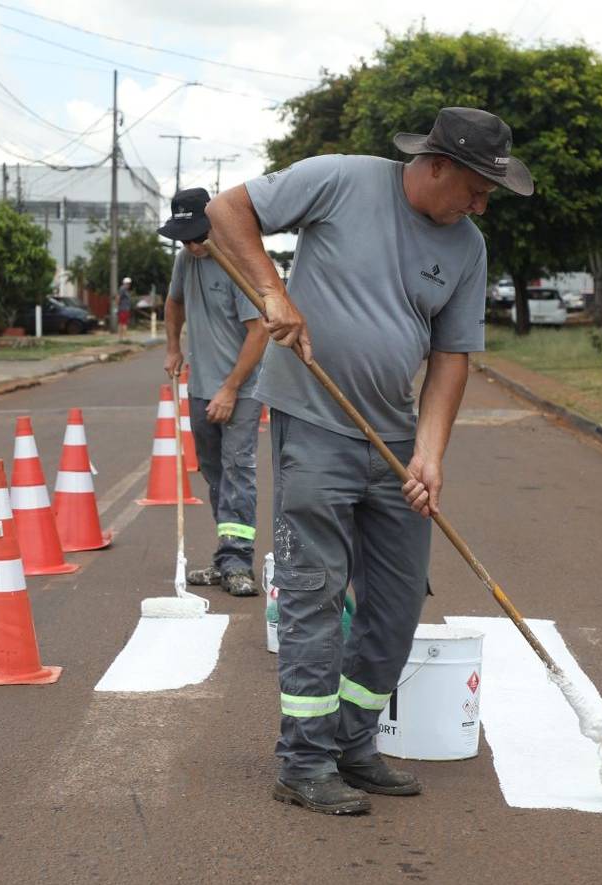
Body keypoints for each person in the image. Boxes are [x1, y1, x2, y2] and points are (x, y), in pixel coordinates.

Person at [205, 107, 532, 815]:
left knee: (398, 597)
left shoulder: (468, 247)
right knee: (315, 591)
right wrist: (273, 290)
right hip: (315, 422)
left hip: (393, 439)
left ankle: (353, 743)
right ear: (436, 165)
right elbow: (226, 211)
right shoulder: (341, 180)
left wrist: (430, 454)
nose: (482, 205)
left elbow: (452, 357)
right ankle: (305, 761)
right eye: (477, 188)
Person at [159, 188, 265, 597]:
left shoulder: (238, 262)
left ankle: (239, 564)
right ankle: (226, 558)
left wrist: (230, 389)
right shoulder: (187, 261)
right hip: (201, 387)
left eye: (196, 235)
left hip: (241, 389)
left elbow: (259, 334)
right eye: (183, 238)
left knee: (238, 471)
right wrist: (172, 347)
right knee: (215, 472)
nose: (190, 244)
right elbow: (173, 304)